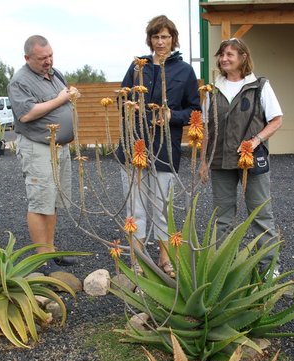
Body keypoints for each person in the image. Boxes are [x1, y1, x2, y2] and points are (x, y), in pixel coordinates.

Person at [116, 15, 201, 276]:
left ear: (173, 39)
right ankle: (138, 262)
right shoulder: (137, 67)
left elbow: (194, 110)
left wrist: (171, 116)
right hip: (134, 146)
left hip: (166, 149)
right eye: (156, 37)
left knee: (163, 209)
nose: (160, 42)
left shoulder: (184, 70)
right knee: (135, 208)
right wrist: (131, 107)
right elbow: (122, 100)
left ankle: (166, 260)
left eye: (165, 37)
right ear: (150, 39)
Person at [199, 38, 283, 272]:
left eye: (230, 55)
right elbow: (207, 128)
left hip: (251, 161)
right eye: (222, 55)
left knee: (260, 214)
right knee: (223, 218)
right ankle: (225, 269)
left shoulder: (259, 86)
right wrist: (204, 161)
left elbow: (277, 120)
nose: (224, 59)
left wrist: (256, 140)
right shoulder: (212, 90)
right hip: (220, 161)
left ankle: (269, 269)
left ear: (243, 57)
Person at [7, 35, 80, 267]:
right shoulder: (19, 81)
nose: (48, 61)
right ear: (27, 58)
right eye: (42, 58)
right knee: (39, 203)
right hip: (37, 148)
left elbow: (63, 98)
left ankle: (50, 251)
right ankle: (41, 260)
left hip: (59, 147)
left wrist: (71, 96)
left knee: (53, 200)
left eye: (50, 55)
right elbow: (26, 114)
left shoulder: (55, 73)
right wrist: (60, 100)